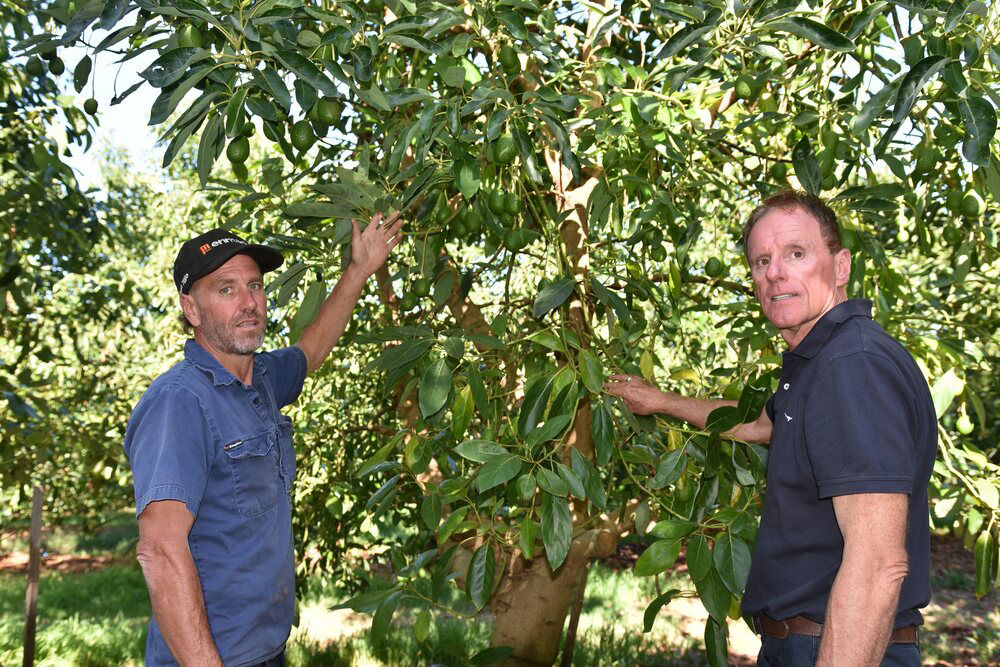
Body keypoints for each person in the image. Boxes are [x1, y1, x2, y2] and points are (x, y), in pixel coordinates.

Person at [605, 191, 936, 666]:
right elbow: (758, 424)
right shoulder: (820, 361)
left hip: (838, 646)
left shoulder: (851, 365)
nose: (775, 272)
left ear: (840, 267)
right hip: (806, 643)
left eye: (795, 254)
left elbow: (879, 563)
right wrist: (661, 401)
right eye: (762, 261)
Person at [124, 214, 402, 666]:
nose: (248, 302)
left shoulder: (263, 381)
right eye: (226, 289)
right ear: (191, 309)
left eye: (254, 286)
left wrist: (359, 270)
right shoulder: (179, 402)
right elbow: (159, 551)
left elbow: (311, 350)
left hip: (265, 650)